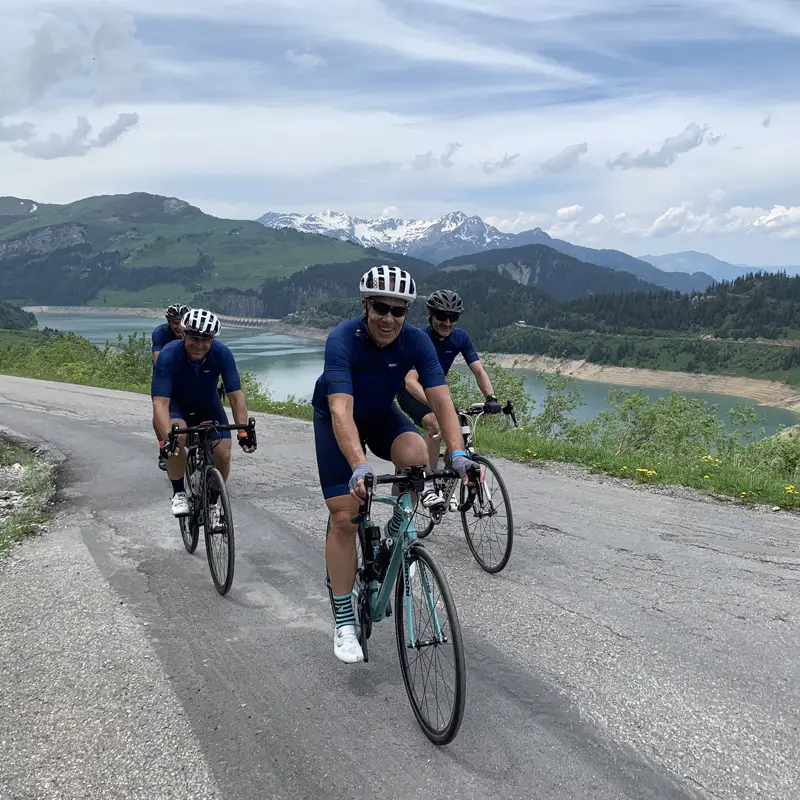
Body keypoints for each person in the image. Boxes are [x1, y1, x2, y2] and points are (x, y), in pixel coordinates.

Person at [312, 265, 483, 664]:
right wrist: (358, 464)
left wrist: (458, 454)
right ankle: (343, 623)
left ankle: (393, 533)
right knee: (344, 516)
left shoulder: (416, 342)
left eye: (398, 310)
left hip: (380, 414)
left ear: (407, 313)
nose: (389, 318)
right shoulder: (343, 339)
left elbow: (440, 402)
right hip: (339, 419)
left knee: (417, 456)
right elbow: (341, 409)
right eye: (381, 307)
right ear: (365, 306)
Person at [151, 309, 256, 526]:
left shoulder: (222, 354)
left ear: (212, 340)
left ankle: (213, 502)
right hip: (177, 406)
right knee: (177, 438)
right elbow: (160, 403)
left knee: (224, 453)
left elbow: (236, 396)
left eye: (205, 340)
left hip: (208, 406)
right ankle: (179, 492)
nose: (199, 344)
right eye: (194, 338)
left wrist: (244, 430)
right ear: (184, 335)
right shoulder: (169, 355)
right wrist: (166, 438)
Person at [398, 289, 501, 472]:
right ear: (430, 314)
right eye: (442, 316)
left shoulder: (460, 337)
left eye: (452, 318)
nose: (447, 323)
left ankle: (448, 473)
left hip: (435, 391)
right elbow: (410, 382)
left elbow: (479, 371)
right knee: (435, 424)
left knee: (459, 428)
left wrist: (491, 397)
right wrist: (439, 406)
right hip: (410, 393)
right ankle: (429, 480)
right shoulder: (419, 338)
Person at [152, 303, 189, 470]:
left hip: (186, 377)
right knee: (160, 411)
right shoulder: (160, 333)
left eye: (182, 321)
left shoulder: (191, 332)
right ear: (169, 322)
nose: (179, 325)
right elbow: (157, 360)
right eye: (175, 322)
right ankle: (163, 447)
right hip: (165, 376)